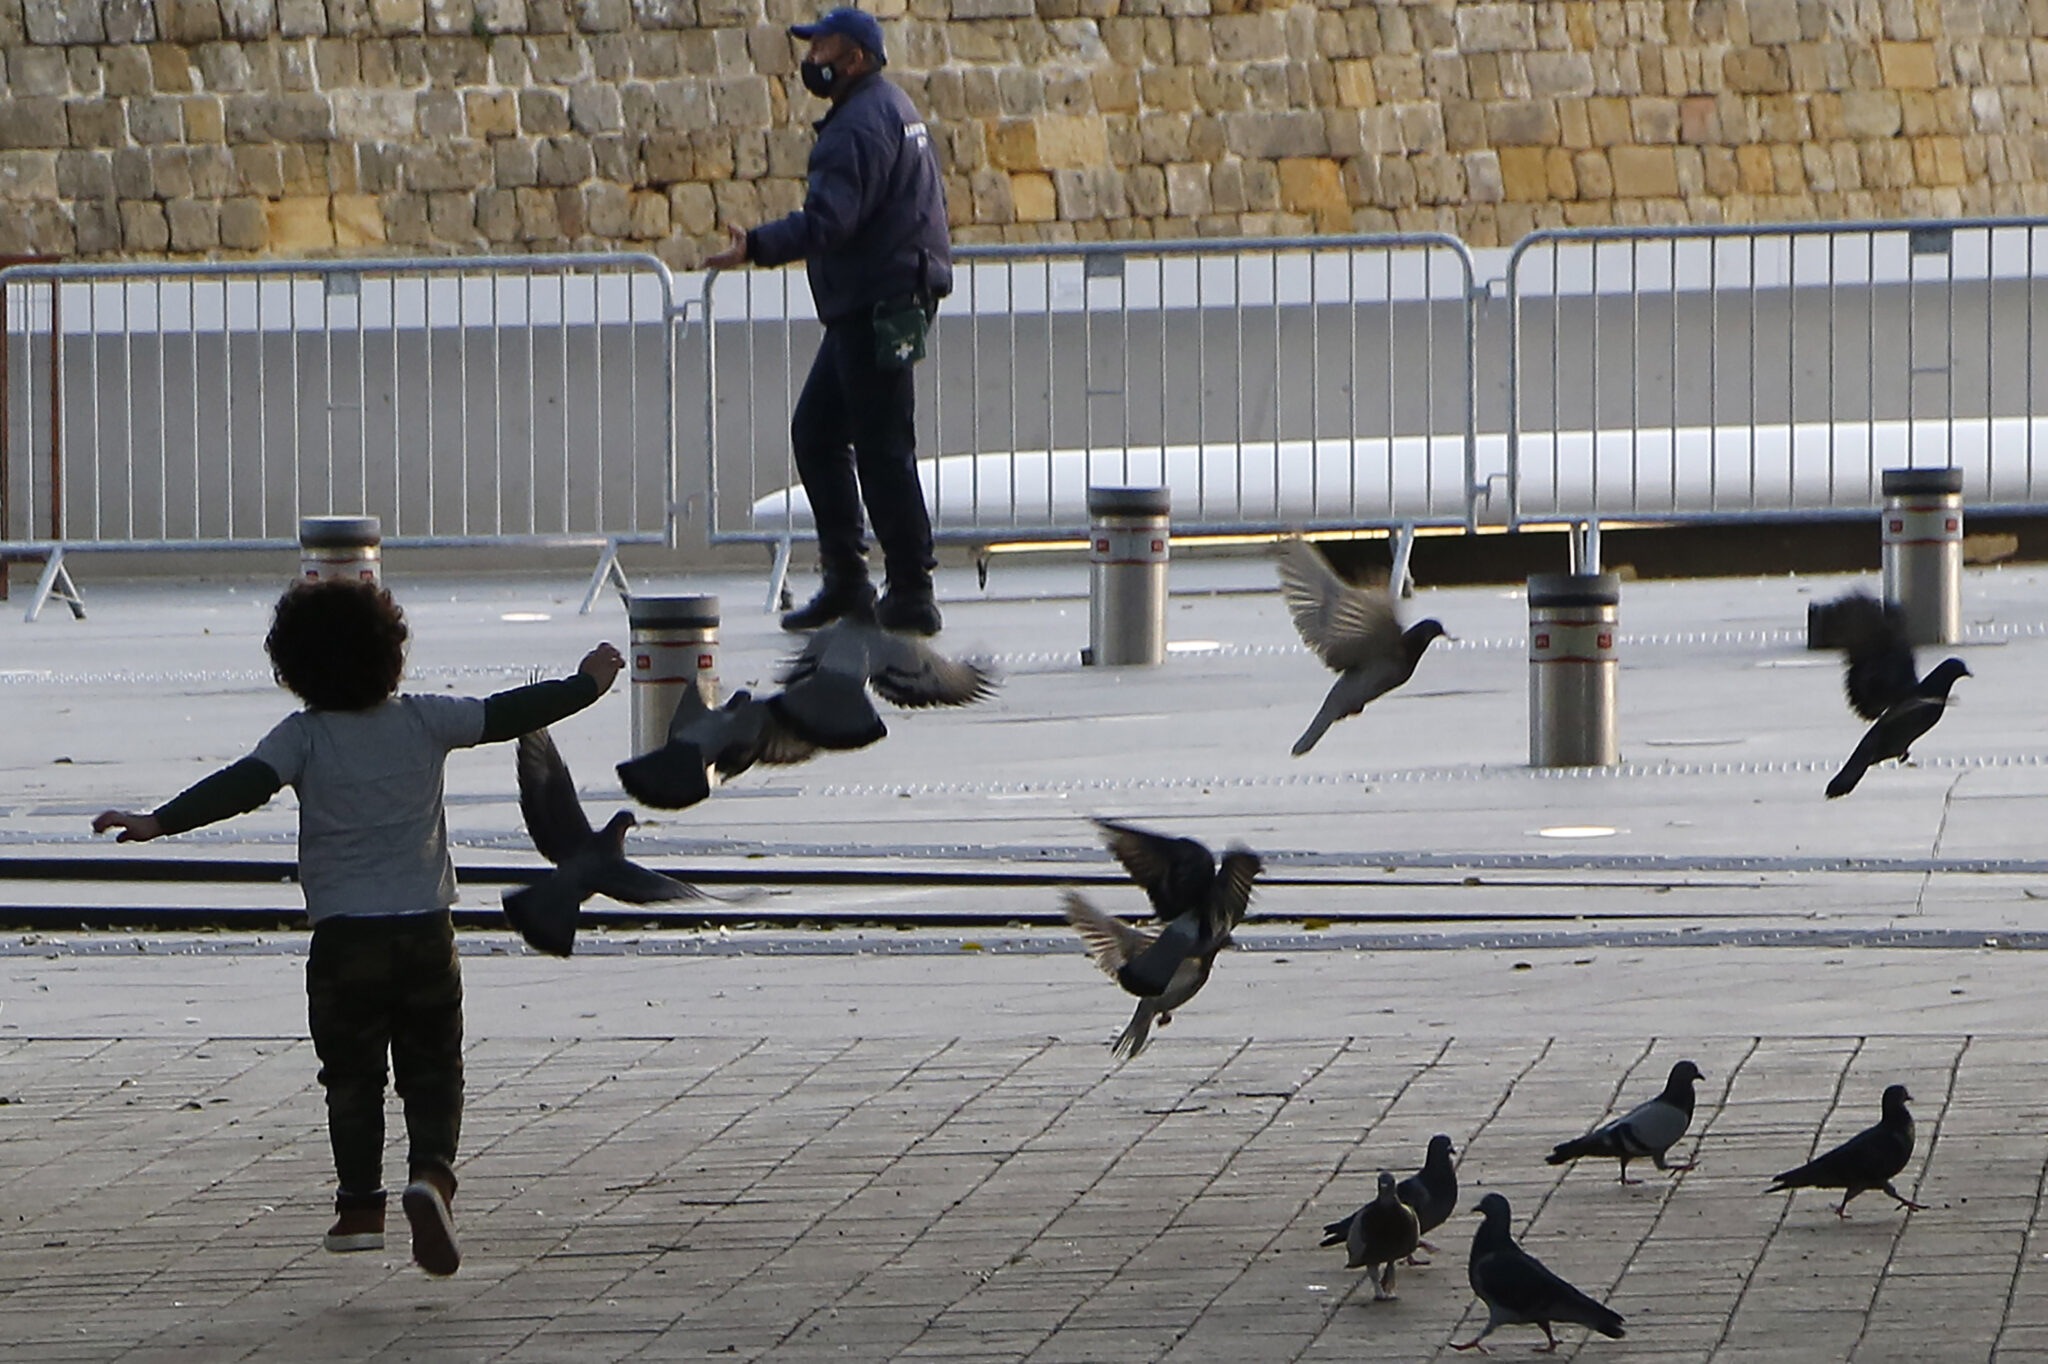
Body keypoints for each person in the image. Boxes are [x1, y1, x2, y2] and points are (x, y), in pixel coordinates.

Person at [91, 578, 626, 1278]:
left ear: (293, 669)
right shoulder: (425, 720)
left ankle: (359, 1209)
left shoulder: (303, 738)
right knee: (434, 1067)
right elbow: (508, 712)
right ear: (392, 654)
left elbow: (243, 783)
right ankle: (432, 1177)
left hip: (345, 942)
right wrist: (587, 684)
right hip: (427, 932)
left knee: (352, 1077)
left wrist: (158, 820)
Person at [706, 5, 953, 636]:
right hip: (884, 298)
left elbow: (829, 223)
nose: (811, 59)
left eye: (824, 49)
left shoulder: (857, 128)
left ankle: (911, 590)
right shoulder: (892, 108)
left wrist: (755, 245)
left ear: (857, 59)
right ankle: (849, 580)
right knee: (820, 434)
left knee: (881, 448)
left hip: (878, 303)